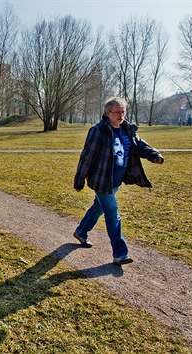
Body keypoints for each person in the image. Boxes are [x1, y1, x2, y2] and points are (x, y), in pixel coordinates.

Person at [73, 97, 164, 266]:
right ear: (107, 113)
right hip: (101, 180)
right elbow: (87, 157)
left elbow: (140, 145)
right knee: (112, 213)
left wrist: (154, 155)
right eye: (117, 112)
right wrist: (79, 181)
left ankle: (81, 231)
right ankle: (120, 253)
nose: (121, 115)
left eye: (123, 112)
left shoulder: (127, 130)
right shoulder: (98, 131)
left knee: (98, 207)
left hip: (116, 180)